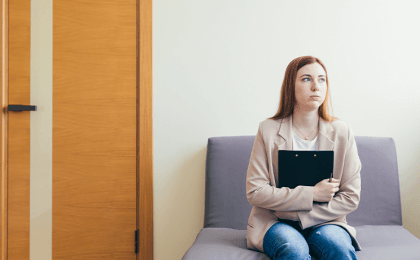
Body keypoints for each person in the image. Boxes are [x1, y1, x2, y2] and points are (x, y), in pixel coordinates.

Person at [245, 56, 362, 260]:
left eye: (322, 79)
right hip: (275, 222)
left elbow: (350, 197)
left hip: (327, 221)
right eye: (307, 79)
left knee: (339, 249)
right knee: (294, 250)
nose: (316, 86)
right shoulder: (268, 130)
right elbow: (255, 191)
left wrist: (301, 215)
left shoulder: (342, 132)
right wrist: (312, 194)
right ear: (291, 85)